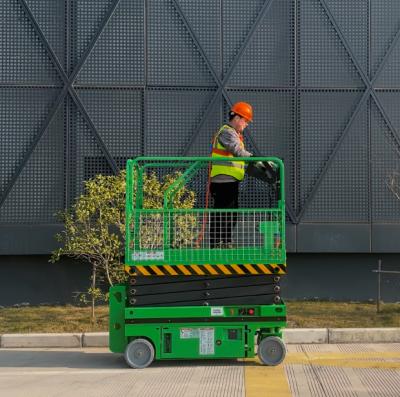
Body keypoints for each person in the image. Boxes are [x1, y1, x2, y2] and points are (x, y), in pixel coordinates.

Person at [209, 102, 253, 248]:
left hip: (229, 180)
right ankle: (218, 243)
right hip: (223, 180)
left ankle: (225, 242)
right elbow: (237, 151)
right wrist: (257, 160)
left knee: (230, 214)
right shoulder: (227, 132)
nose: (246, 125)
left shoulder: (234, 134)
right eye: (245, 121)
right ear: (237, 118)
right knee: (224, 213)